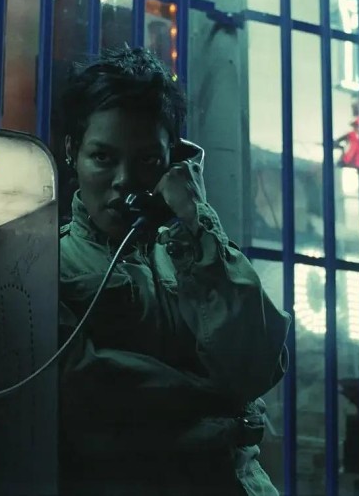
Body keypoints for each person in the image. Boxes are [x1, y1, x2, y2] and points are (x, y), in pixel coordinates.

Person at [57, 46, 291, 495]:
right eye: (103, 158)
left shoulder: (194, 252)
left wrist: (197, 222)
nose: (124, 180)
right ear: (73, 152)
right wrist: (229, 409)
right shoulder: (50, 264)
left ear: (174, 160)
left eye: (147, 160)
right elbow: (88, 392)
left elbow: (257, 365)